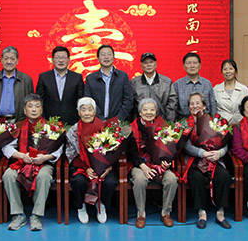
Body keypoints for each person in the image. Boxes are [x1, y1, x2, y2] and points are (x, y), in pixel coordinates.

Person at [2, 94, 63, 231]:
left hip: (43, 163)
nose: (34, 109)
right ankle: (18, 215)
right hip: (22, 162)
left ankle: (36, 215)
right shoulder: (17, 126)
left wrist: (44, 157)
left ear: (42, 109)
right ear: (25, 110)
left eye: (37, 106)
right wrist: (22, 156)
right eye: (30, 106)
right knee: (8, 175)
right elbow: (6, 147)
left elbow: (58, 150)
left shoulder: (51, 127)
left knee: (44, 176)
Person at [65, 97, 118, 224]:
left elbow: (113, 150)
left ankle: (101, 205)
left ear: (95, 112)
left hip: (104, 166)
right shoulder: (73, 131)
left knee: (110, 182)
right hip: (81, 166)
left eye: (90, 110)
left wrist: (108, 167)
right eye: (83, 110)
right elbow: (70, 154)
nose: (87, 113)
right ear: (79, 113)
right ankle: (80, 206)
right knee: (78, 181)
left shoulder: (105, 128)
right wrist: (86, 168)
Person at [127, 98, 178, 228]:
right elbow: (131, 153)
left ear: (156, 112)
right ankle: (141, 214)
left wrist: (167, 162)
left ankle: (166, 213)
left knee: (172, 179)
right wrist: (143, 167)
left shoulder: (163, 126)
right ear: (140, 112)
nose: (148, 112)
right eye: (145, 109)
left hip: (158, 164)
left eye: (152, 109)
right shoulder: (132, 128)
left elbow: (169, 149)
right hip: (139, 164)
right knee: (140, 180)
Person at [183, 93, 231, 229]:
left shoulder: (214, 121)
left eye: (198, 103)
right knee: (196, 178)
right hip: (195, 160)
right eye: (192, 103)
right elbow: (186, 146)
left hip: (215, 159)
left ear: (204, 106)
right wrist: (202, 153)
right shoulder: (185, 123)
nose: (195, 106)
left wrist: (219, 153)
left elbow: (225, 142)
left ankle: (220, 213)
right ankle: (202, 213)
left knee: (224, 176)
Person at [36, 46, 84, 125]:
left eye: (64, 57)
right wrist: (43, 121)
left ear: (69, 60)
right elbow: (39, 101)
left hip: (72, 122)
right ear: (52, 60)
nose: (61, 60)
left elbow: (81, 101)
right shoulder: (44, 77)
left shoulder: (77, 78)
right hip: (49, 122)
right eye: (58, 57)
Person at [83, 44, 133, 121]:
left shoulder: (123, 76)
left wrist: (118, 119)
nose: (106, 57)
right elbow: (88, 100)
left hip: (118, 121)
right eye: (103, 54)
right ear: (98, 58)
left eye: (109, 54)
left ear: (113, 57)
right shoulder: (90, 78)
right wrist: (101, 120)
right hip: (96, 121)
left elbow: (128, 100)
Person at [0, 46, 34, 119]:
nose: (9, 62)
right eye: (6, 58)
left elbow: (31, 102)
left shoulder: (26, 80)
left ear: (17, 60)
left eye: (12, 59)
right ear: (1, 60)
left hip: (19, 121)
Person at [130, 52, 178, 121]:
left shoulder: (166, 82)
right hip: (140, 122)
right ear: (141, 65)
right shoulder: (134, 83)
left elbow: (172, 103)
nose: (148, 65)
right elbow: (130, 104)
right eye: (145, 63)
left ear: (156, 64)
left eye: (151, 62)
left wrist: (168, 122)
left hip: (162, 122)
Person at [174, 52, 217, 118]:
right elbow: (174, 107)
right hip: (183, 121)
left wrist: (214, 120)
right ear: (184, 66)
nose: (192, 66)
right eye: (189, 63)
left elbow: (212, 105)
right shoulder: (177, 84)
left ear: (200, 65)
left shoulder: (207, 84)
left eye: (195, 63)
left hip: (205, 120)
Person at [212, 59, 248, 125]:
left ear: (235, 71)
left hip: (240, 124)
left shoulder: (244, 89)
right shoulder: (216, 89)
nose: (228, 71)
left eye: (231, 69)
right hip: (221, 125)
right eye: (225, 69)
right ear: (222, 72)